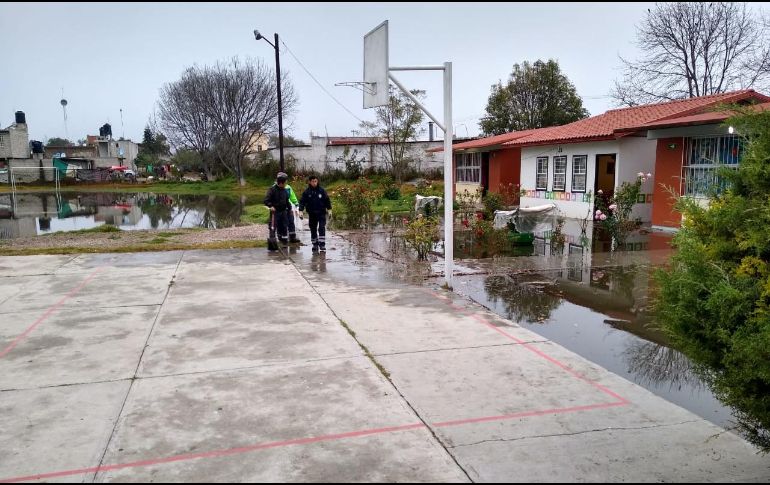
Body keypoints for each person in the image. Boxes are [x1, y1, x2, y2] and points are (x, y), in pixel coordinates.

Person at [298, 175, 332, 252]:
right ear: (309, 182)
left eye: (315, 181)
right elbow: (302, 202)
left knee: (321, 228)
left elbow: (327, 200)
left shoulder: (322, 191)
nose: (314, 183)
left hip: (321, 213)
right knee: (313, 229)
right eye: (313, 181)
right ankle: (315, 244)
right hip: (312, 214)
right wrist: (300, 211)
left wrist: (329, 210)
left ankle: (322, 245)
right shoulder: (307, 192)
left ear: (317, 181)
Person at [263, 172, 291, 245]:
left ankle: (284, 242)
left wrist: (290, 209)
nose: (286, 184)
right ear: (281, 183)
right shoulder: (271, 190)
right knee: (273, 227)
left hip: (284, 211)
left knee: (284, 226)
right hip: (275, 212)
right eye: (285, 183)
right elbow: (266, 200)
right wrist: (270, 206)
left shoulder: (285, 190)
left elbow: (287, 201)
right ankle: (272, 243)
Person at [283, 174, 301, 244]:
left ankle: (292, 237)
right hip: (280, 209)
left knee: (291, 221)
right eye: (285, 180)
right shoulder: (275, 188)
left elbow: (292, 196)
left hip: (289, 207)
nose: (286, 181)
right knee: (283, 223)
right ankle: (283, 238)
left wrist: (296, 203)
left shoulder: (288, 187)